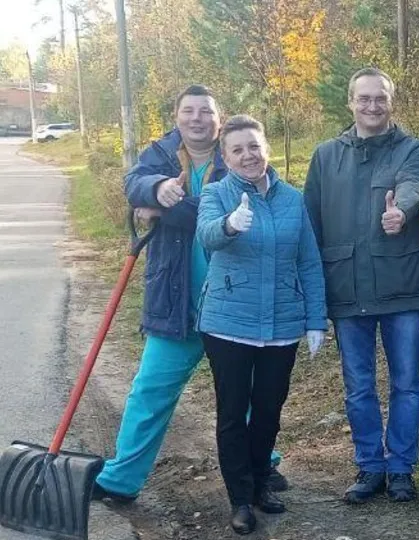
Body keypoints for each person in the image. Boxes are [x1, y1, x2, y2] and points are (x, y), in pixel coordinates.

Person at [95, 85, 284, 501]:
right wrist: (155, 188)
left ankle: (262, 466)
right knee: (150, 390)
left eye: (206, 111)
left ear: (219, 119)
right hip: (176, 302)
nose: (197, 118)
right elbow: (132, 182)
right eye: (189, 111)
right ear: (177, 116)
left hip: (232, 303)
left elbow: (232, 212)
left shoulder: (237, 153)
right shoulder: (160, 153)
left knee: (244, 393)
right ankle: (120, 480)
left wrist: (166, 210)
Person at [303, 67, 419, 504]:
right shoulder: (325, 156)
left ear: (391, 102)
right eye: (364, 98)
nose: (372, 106)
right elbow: (310, 223)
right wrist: (312, 292)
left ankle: (401, 468)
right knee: (358, 386)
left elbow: (417, 182)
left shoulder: (412, 148)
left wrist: (403, 210)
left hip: (401, 286)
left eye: (380, 98)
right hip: (346, 287)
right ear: (351, 102)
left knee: (406, 383)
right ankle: (370, 466)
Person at [195, 114, 327, 535]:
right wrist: (229, 225)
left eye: (254, 146)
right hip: (227, 324)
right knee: (233, 412)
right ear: (225, 156)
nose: (248, 155)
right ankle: (240, 498)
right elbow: (206, 235)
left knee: (269, 410)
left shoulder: (292, 199)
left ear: (265, 148)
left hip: (282, 325)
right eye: (237, 149)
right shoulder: (216, 193)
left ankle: (259, 484)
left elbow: (309, 261)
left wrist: (316, 319)